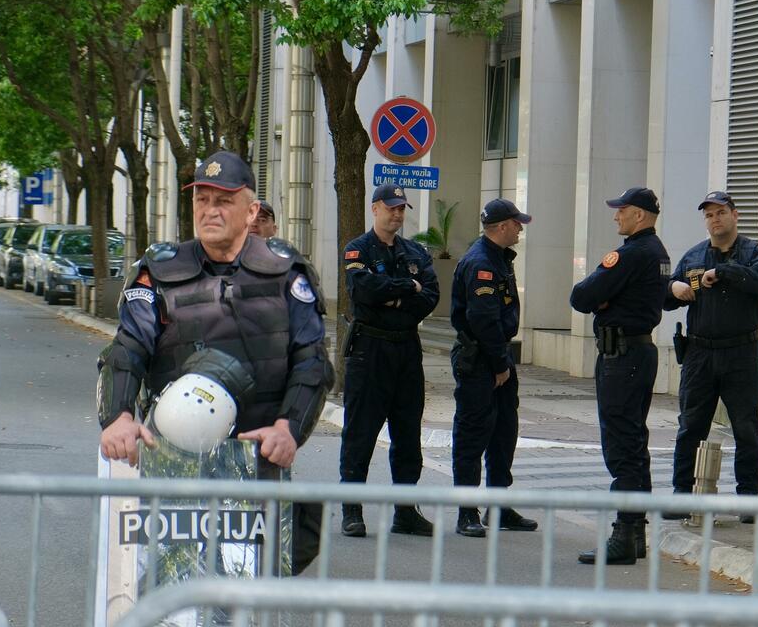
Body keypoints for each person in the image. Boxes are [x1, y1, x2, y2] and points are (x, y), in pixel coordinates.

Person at [96, 149, 334, 572]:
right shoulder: (160, 271)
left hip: (255, 465)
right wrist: (119, 415)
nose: (210, 211)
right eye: (202, 200)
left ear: (251, 210)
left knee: (244, 613)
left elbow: (311, 359)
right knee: (171, 605)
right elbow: (128, 347)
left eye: (223, 200)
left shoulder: (285, 272)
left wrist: (289, 428)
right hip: (177, 460)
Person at [570, 187, 670, 564]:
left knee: (621, 443)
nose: (616, 216)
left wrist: (602, 298)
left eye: (622, 210)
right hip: (638, 353)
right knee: (634, 440)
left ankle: (624, 534)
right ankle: (636, 533)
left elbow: (581, 297)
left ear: (640, 216)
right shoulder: (657, 252)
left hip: (622, 355)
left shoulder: (631, 254)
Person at [663, 190, 758, 523]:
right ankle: (682, 495)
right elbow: (667, 294)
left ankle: (748, 500)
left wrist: (724, 272)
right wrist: (675, 289)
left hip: (741, 354)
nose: (715, 220)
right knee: (690, 427)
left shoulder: (755, 252)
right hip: (700, 354)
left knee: (746, 429)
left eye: (721, 213)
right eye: (709, 215)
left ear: (735, 215)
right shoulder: (695, 255)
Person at [338, 184, 440, 538]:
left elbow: (430, 296)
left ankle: (405, 510)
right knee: (360, 433)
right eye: (391, 208)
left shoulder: (415, 252)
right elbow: (363, 291)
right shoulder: (357, 249)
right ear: (375, 208)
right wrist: (405, 289)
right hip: (370, 350)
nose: (397, 214)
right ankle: (352, 510)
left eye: (402, 209)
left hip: (406, 351)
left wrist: (394, 293)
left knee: (408, 434)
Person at [449, 198, 538, 538]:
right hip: (481, 361)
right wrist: (500, 364)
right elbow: (482, 318)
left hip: (496, 357)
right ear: (501, 227)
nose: (520, 228)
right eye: (517, 223)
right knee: (472, 436)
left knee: (503, 433)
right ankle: (466, 512)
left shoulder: (498, 257)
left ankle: (498, 506)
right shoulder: (481, 263)